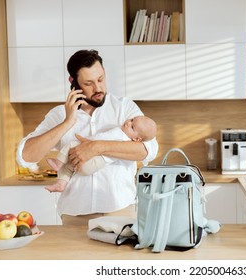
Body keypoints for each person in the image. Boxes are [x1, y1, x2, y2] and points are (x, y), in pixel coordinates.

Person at [16, 49, 158, 225]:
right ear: (73, 82)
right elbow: (26, 156)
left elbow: (148, 150)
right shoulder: (59, 115)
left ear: (104, 72)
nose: (98, 88)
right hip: (74, 214)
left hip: (120, 210)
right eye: (89, 83)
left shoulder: (125, 108)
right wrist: (67, 122)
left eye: (100, 79)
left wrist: (97, 147)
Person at [45, 115, 157, 193]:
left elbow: (149, 150)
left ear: (137, 138)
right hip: (89, 167)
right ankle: (61, 184)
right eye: (132, 119)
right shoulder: (126, 141)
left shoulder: (121, 136)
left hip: (92, 162)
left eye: (132, 127)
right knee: (69, 166)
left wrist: (87, 143)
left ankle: (57, 163)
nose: (128, 123)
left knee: (70, 145)